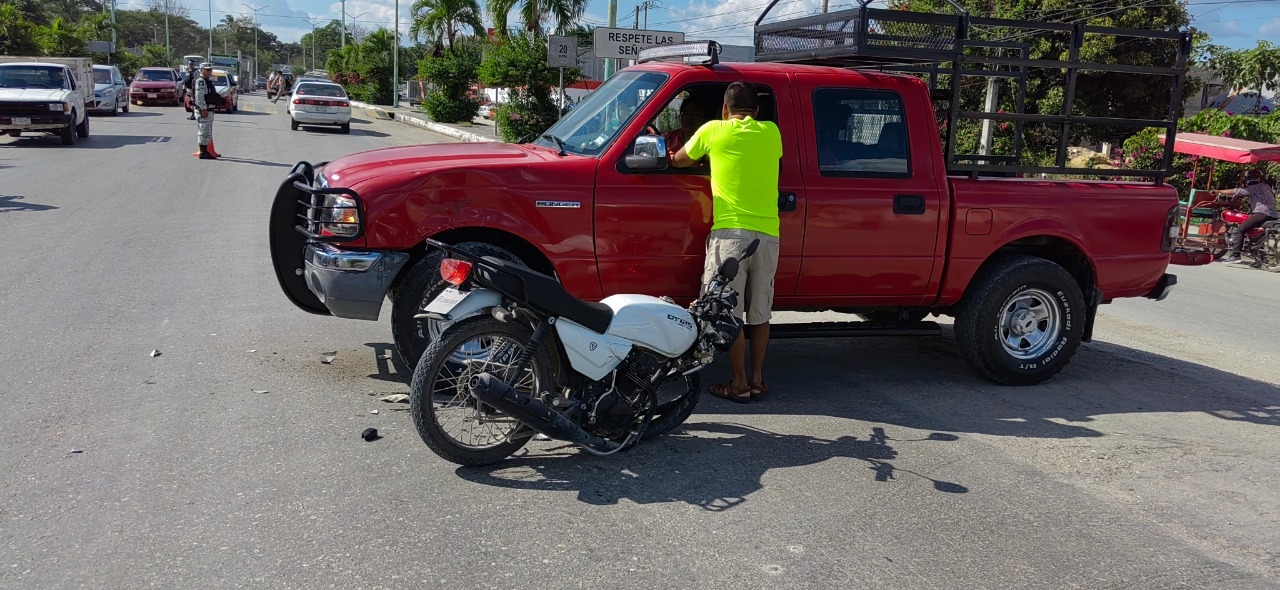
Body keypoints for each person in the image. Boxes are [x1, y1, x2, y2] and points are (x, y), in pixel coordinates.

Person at [671, 81, 784, 403]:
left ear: (724, 109)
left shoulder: (713, 131)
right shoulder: (772, 133)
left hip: (731, 235)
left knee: (728, 313)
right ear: (757, 111)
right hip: (768, 235)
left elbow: (679, 159)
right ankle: (759, 380)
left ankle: (738, 383)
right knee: (760, 313)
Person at [1213, 169, 1278, 264]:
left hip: (1262, 213)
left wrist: (1218, 191)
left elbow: (1237, 191)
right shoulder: (1265, 186)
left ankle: (1235, 255)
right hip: (1271, 214)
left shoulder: (1254, 187)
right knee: (1255, 234)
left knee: (1240, 230)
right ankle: (1260, 258)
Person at [192, 63, 222, 160]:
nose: (209, 72)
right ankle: (203, 152)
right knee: (204, 131)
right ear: (201, 70)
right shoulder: (201, 81)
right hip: (204, 110)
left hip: (209, 109)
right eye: (207, 70)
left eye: (210, 70)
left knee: (206, 131)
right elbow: (199, 96)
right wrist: (203, 109)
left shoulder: (207, 81)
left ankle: (206, 150)